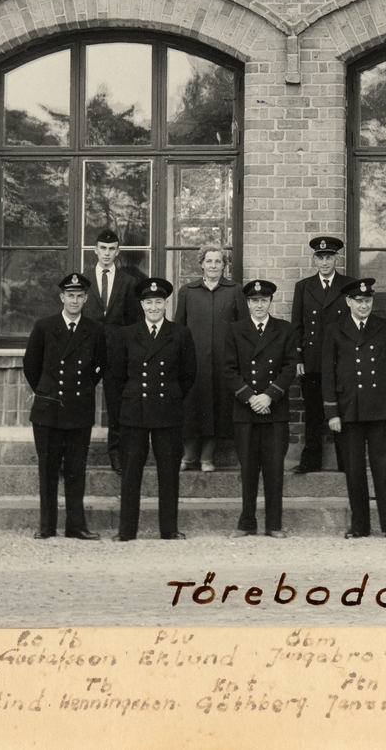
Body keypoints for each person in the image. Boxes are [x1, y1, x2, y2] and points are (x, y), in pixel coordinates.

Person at [108, 278, 197, 541]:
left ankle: (168, 529)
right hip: (135, 411)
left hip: (167, 411)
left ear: (166, 304)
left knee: (168, 473)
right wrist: (131, 398)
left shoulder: (180, 334)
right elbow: (117, 376)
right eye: (149, 302)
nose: (154, 307)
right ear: (142, 304)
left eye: (159, 302)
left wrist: (171, 396)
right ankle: (126, 530)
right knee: (131, 472)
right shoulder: (127, 334)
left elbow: (188, 375)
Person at [21, 272, 106, 540]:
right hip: (48, 409)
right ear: (62, 297)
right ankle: (46, 526)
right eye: (70, 295)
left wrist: (77, 391)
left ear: (86, 299)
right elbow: (31, 366)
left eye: (80, 296)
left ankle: (76, 526)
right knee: (47, 469)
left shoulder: (94, 329)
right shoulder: (44, 326)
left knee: (76, 469)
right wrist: (47, 392)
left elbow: (98, 368)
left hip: (79, 408)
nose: (75, 300)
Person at [323, 278, 386, 539]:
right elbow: (328, 374)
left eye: (368, 301)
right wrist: (332, 412)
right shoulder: (335, 330)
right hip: (349, 409)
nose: (364, 306)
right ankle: (359, 525)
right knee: (354, 468)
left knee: (384, 468)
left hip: (379, 407)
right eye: (359, 301)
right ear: (348, 302)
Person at [224, 279, 300, 539]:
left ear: (270, 302)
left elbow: (290, 367)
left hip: (274, 411)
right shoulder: (235, 330)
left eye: (263, 300)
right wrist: (251, 398)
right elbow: (228, 370)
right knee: (247, 469)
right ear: (248, 303)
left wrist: (269, 396)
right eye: (254, 301)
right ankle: (246, 522)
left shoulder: (285, 329)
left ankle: (274, 524)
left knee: (274, 468)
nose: (259, 305)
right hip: (245, 412)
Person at [174, 245, 248, 472]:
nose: (213, 266)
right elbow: (179, 327)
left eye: (218, 262)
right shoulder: (188, 291)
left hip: (223, 362)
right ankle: (189, 455)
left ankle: (207, 456)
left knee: (217, 407)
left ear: (224, 265)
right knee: (192, 406)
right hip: (193, 361)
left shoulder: (234, 290)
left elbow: (242, 327)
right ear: (201, 264)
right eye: (209, 261)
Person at [82, 227, 141, 474]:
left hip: (118, 353)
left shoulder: (128, 282)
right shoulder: (83, 280)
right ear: (95, 250)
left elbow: (134, 322)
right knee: (79, 403)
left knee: (117, 406)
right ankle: (75, 455)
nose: (106, 253)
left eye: (111, 249)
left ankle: (116, 454)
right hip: (87, 351)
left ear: (118, 252)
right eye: (102, 248)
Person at [291, 236, 350, 473]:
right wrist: (298, 357)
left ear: (337, 258)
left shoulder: (348, 286)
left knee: (342, 410)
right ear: (314, 260)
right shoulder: (303, 287)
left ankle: (345, 461)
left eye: (329, 257)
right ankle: (311, 460)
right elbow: (297, 325)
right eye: (320, 257)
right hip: (313, 359)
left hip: (341, 359)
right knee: (313, 411)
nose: (325, 262)